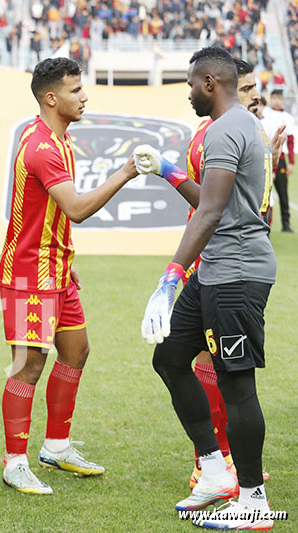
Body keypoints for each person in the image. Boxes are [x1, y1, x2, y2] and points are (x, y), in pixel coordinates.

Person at [140, 46, 277, 530]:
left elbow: (212, 213)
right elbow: (213, 199)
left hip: (237, 275)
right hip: (215, 270)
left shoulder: (225, 128)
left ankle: (254, 502)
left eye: (192, 84)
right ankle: (216, 471)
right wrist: (170, 170)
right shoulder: (235, 126)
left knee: (237, 386)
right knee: (171, 358)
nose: (190, 93)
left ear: (211, 84)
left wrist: (170, 277)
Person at [0, 57, 138, 495]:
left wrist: (65, 260)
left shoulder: (58, 140)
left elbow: (47, 213)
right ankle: (15, 461)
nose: (85, 97)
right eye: (77, 91)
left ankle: (56, 446)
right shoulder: (41, 147)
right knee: (29, 365)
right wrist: (126, 171)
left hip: (58, 269)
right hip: (29, 274)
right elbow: (75, 208)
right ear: (52, 98)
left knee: (76, 351)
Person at [260, 89, 295, 232]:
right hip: (265, 158)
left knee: (283, 191)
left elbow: (291, 140)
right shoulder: (264, 115)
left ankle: (286, 223)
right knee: (263, 193)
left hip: (280, 158)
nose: (276, 100)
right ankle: (264, 222)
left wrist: (291, 162)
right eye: (274, 97)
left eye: (279, 98)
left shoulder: (287, 117)